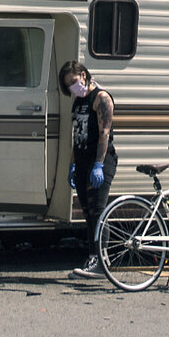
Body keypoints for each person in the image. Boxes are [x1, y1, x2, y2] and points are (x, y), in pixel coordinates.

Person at [62, 59, 116, 277]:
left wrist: (99, 165)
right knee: (87, 212)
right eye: (68, 86)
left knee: (98, 211)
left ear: (83, 75)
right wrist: (72, 165)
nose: (73, 87)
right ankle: (93, 257)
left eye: (74, 82)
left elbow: (104, 133)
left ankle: (102, 261)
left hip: (100, 162)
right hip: (82, 161)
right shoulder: (78, 101)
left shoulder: (101, 98)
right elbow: (77, 135)